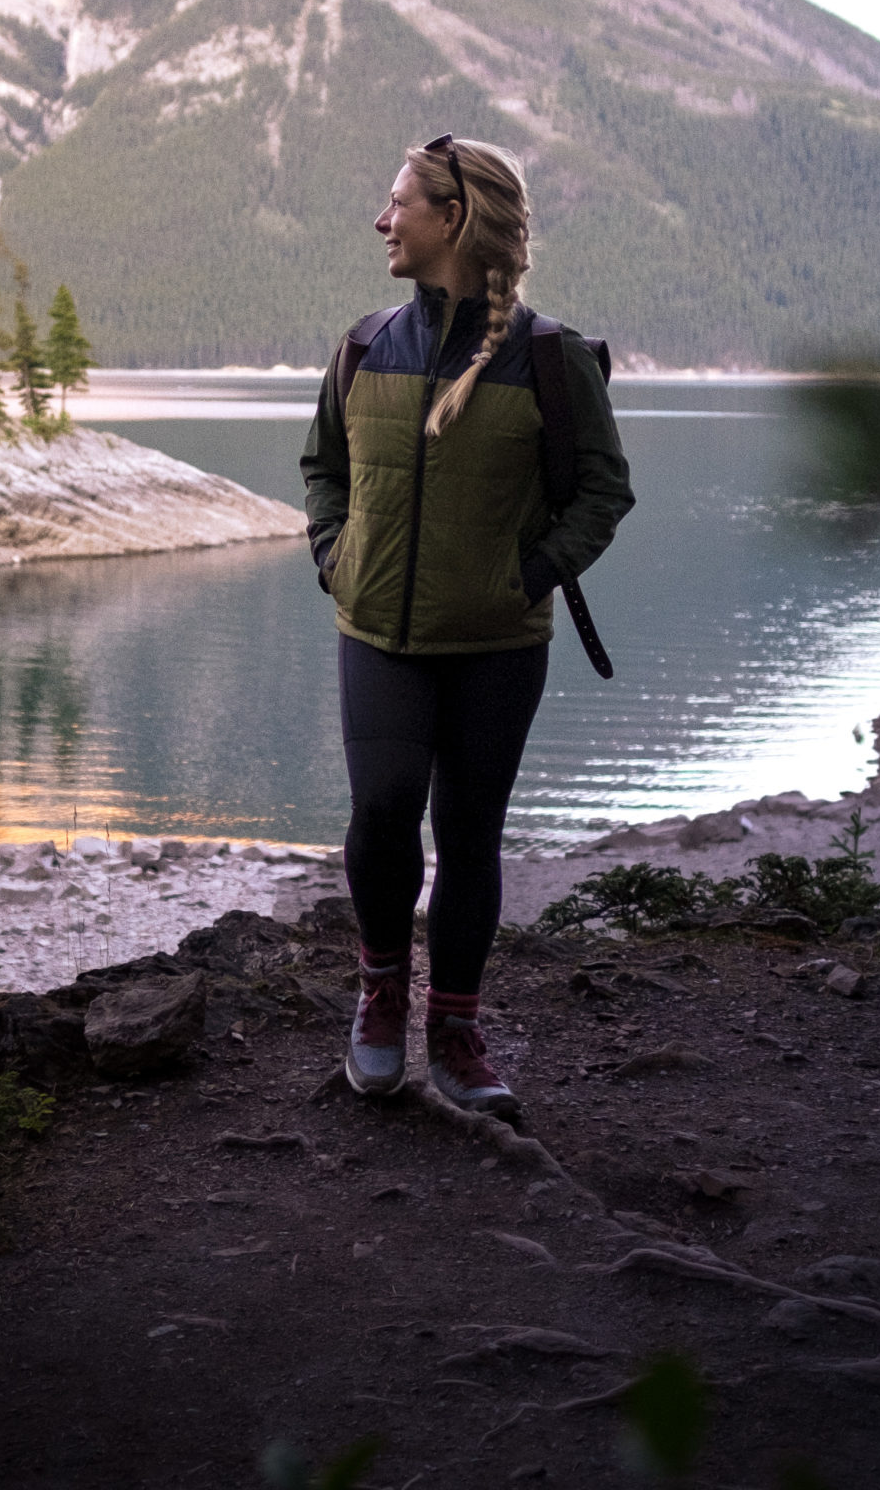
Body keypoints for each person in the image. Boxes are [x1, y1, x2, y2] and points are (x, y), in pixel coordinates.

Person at [300, 136, 634, 1116]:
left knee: (471, 833)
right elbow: (322, 468)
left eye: (397, 201)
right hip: (377, 634)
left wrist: (522, 575)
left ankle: (453, 1024)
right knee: (382, 808)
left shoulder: (549, 358)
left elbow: (604, 495)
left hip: (497, 646)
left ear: (453, 218)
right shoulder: (366, 345)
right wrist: (334, 555)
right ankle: (378, 996)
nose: (381, 219)